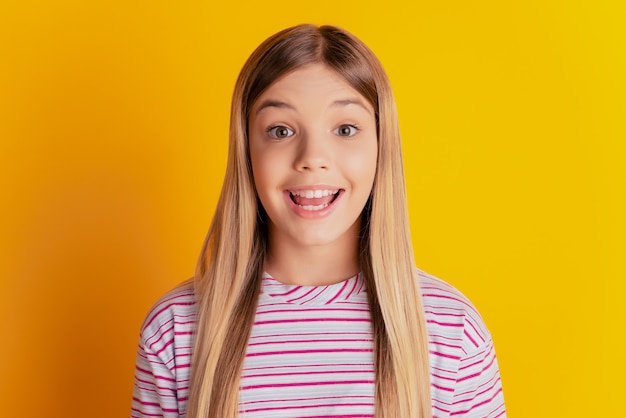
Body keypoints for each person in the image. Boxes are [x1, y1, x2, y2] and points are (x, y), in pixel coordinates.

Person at [131, 24, 506, 418]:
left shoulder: (452, 332)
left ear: (381, 146)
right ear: (247, 153)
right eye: (280, 130)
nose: (313, 157)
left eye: (345, 129)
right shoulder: (175, 331)